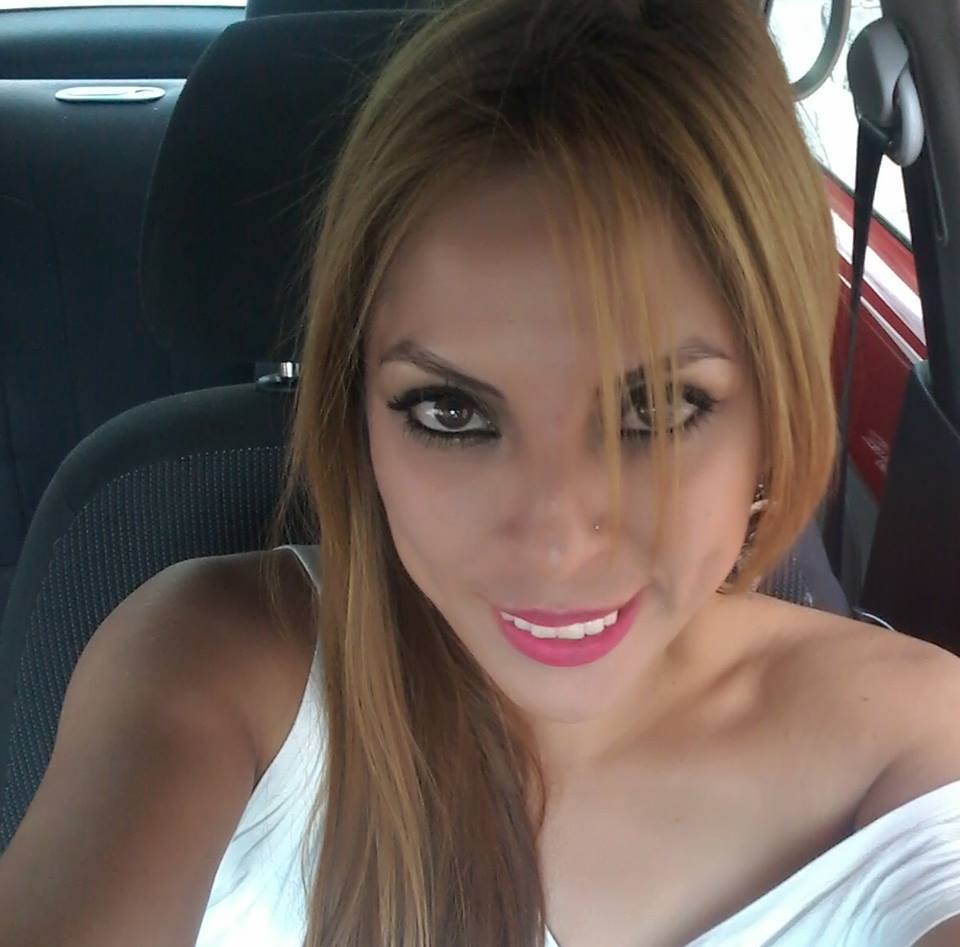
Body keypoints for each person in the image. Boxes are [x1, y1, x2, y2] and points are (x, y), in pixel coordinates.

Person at [1, 1, 959, 945]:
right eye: (451, 412)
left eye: (659, 410)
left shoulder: (915, 753)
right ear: (357, 412)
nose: (556, 540)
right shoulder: (206, 665)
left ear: (775, 408)